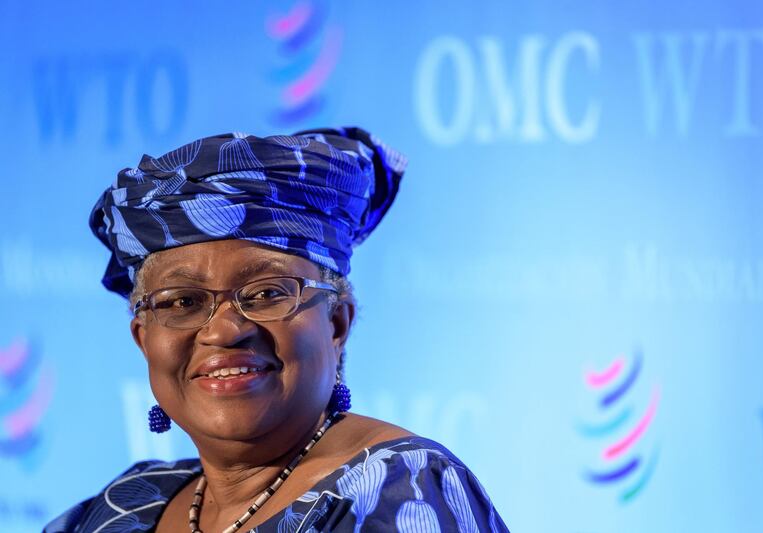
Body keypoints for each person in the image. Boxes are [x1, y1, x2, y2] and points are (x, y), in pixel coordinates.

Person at [44, 128, 509, 532]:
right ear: (144, 339)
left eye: (267, 293)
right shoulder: (125, 505)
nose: (224, 331)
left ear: (336, 322)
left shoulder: (397, 492)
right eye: (183, 302)